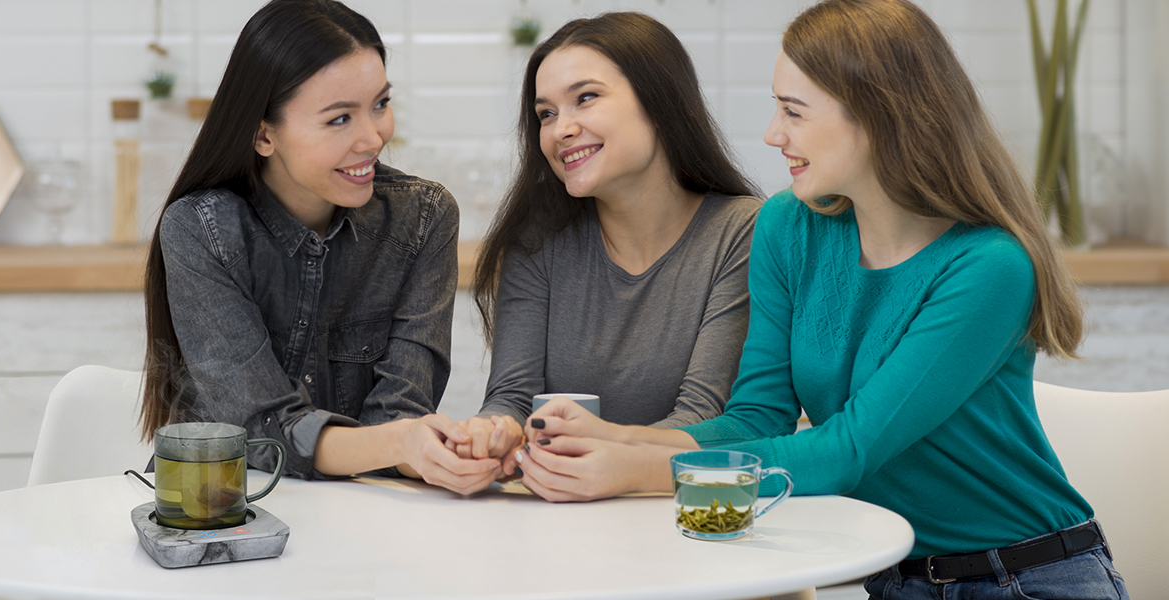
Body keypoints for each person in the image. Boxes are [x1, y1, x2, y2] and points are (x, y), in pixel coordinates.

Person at [515, 0, 1127, 596]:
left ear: (877, 116)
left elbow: (848, 452)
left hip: (1025, 577)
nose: (773, 133)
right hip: (896, 579)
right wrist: (611, 438)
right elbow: (756, 418)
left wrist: (635, 469)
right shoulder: (790, 227)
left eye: (794, 111)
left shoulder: (989, 266)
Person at [139, 0, 498, 495]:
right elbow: (262, 434)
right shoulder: (202, 229)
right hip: (221, 513)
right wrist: (401, 443)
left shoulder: (424, 218)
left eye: (380, 104)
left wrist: (443, 450)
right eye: (338, 119)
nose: (372, 138)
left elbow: (400, 414)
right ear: (264, 135)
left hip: (363, 509)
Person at [453, 12, 762, 476]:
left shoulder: (742, 232)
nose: (561, 130)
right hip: (564, 510)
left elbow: (704, 418)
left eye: (586, 98)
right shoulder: (537, 245)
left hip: (679, 513)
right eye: (546, 114)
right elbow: (513, 400)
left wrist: (607, 463)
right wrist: (490, 434)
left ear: (661, 101)